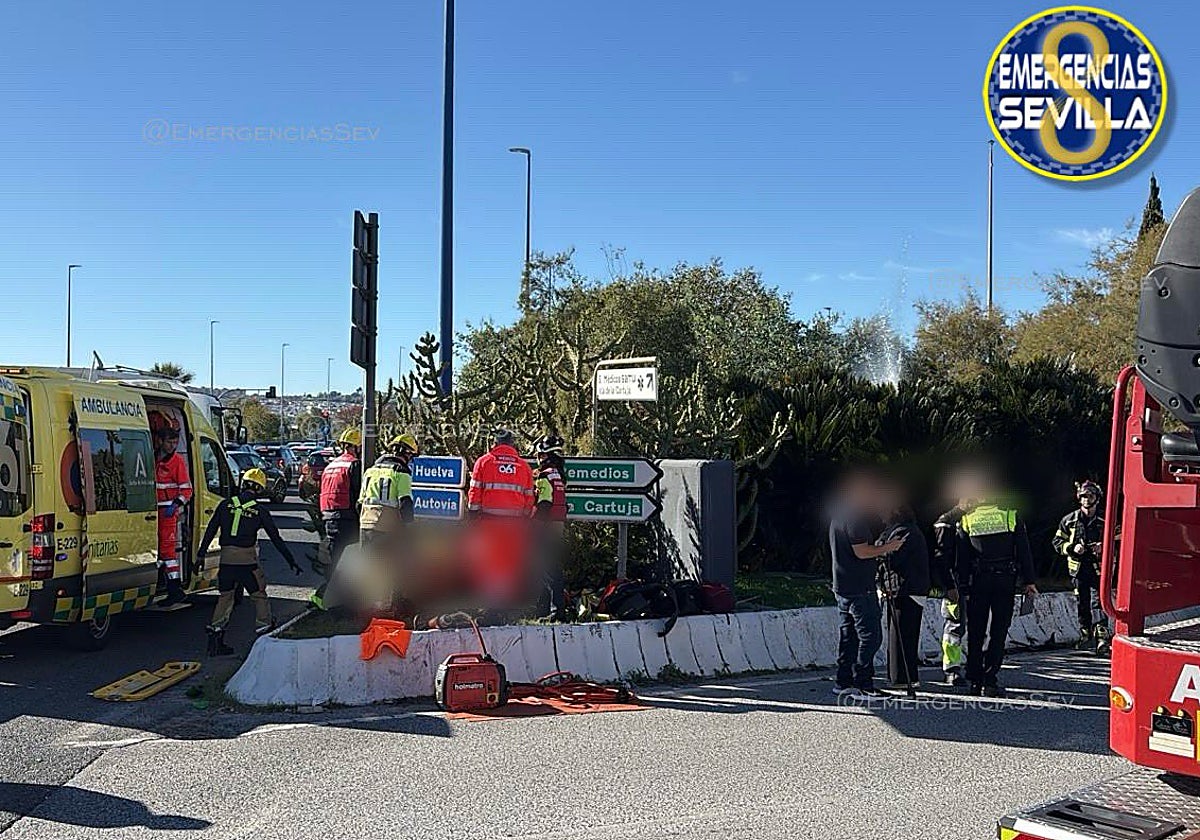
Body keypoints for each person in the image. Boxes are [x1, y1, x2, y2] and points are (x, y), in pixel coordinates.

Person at [197, 468, 301, 655]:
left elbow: (210, 530)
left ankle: (215, 638)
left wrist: (200, 555)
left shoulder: (224, 505)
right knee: (259, 596)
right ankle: (265, 632)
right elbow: (276, 539)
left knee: (225, 598)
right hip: (248, 563)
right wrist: (291, 560)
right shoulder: (259, 511)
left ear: (243, 484)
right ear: (260, 489)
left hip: (226, 561)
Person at [828, 469, 906, 698]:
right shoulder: (855, 517)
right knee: (871, 636)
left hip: (842, 586)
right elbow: (862, 552)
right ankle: (863, 682)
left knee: (849, 636)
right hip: (859, 587)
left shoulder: (840, 513)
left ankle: (844, 681)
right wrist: (888, 548)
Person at [956, 491, 1038, 697]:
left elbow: (962, 559)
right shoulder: (1011, 516)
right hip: (1004, 580)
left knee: (976, 631)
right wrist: (1029, 581)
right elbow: (1024, 551)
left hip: (979, 581)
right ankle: (990, 680)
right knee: (999, 631)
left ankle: (974, 678)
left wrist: (963, 586)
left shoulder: (967, 519)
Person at [465, 429, 537, 610]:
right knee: (510, 563)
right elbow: (530, 499)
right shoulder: (524, 467)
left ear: (494, 444)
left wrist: (472, 515)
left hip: (488, 524)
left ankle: (487, 603)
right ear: (512, 445)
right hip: (515, 526)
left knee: (486, 561)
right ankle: (505, 604)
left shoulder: (484, 462)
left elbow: (474, 493)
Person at [878, 504, 930, 689]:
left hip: (906, 590)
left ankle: (901, 678)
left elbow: (892, 556)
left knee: (901, 636)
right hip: (906, 589)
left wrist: (877, 552)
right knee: (902, 635)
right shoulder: (901, 531)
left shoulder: (902, 532)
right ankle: (900, 676)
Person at [311, 426, 362, 609]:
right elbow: (358, 495)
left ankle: (326, 601)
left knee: (336, 558)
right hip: (347, 518)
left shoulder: (330, 466)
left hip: (329, 517)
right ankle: (334, 601)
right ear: (356, 447)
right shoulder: (354, 464)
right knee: (349, 561)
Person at [1054, 480, 1107, 652]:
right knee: (1081, 603)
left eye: (1089, 496)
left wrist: (1103, 546)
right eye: (1083, 496)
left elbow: (1121, 539)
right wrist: (1071, 548)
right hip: (1078, 569)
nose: (1086, 500)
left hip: (1100, 569)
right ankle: (1086, 635)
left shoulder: (1105, 520)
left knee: (1099, 602)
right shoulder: (1069, 520)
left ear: (1097, 498)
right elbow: (1056, 542)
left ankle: (1102, 638)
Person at [151, 412, 193, 607]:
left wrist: (176, 504)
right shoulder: (154, 457)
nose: (172, 446)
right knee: (157, 550)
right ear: (160, 441)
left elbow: (187, 489)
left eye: (175, 443)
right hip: (152, 511)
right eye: (169, 443)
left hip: (167, 511)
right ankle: (161, 584)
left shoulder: (176, 462)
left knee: (167, 552)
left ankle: (174, 589)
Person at [932, 500, 970, 687]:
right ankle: (951, 669)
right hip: (955, 584)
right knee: (954, 627)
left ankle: (975, 667)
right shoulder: (947, 521)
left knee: (981, 628)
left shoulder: (981, 517)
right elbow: (940, 557)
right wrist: (949, 586)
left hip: (978, 582)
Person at [531, 433, 568, 616]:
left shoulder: (545, 476)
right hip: (557, 526)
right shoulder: (558, 476)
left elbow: (544, 503)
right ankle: (543, 610)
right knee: (549, 569)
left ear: (545, 455)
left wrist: (534, 525)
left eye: (540, 456)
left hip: (545, 526)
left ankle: (556, 610)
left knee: (547, 570)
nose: (538, 459)